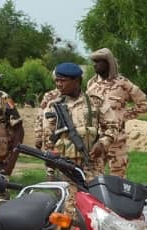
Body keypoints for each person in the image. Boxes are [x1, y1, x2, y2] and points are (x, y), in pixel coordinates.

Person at [38, 63, 119, 211]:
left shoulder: (95, 101)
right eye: (57, 80)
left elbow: (112, 126)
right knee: (68, 209)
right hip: (65, 167)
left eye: (63, 80)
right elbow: (48, 139)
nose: (58, 84)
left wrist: (102, 143)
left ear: (76, 81)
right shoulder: (53, 105)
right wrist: (50, 171)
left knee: (96, 207)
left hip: (92, 166)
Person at [87, 48, 147, 178]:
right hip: (97, 140)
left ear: (108, 63)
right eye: (94, 62)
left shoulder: (123, 83)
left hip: (117, 141)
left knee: (118, 179)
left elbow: (143, 104)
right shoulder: (91, 84)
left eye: (99, 62)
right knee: (94, 178)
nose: (95, 65)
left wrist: (124, 117)